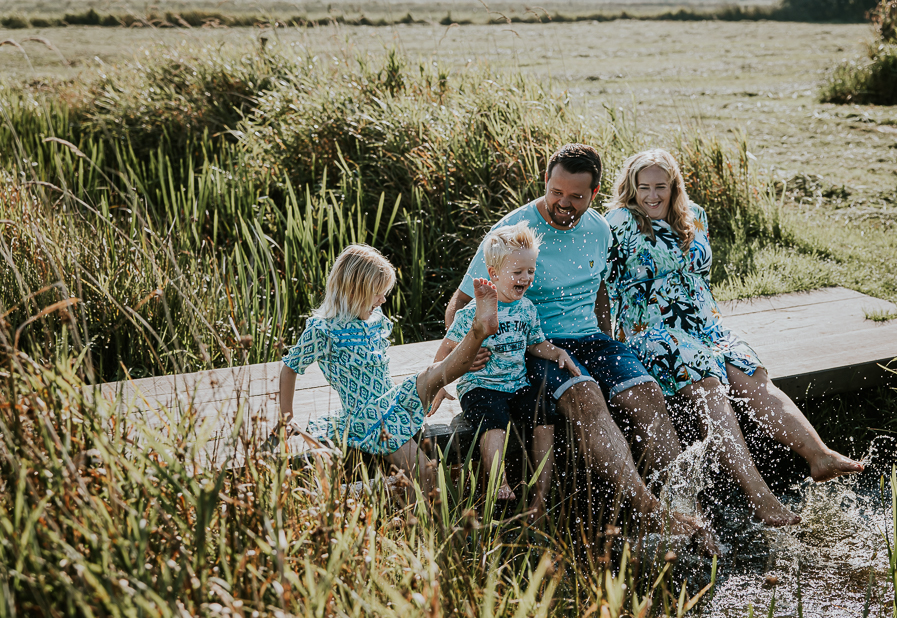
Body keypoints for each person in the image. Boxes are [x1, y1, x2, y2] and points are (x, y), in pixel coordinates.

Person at [444, 144, 705, 541]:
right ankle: (648, 509)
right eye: (556, 192)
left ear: (595, 193)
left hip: (591, 338)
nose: (563, 203)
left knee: (648, 393)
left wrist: (606, 338)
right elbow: (460, 304)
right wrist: (468, 352)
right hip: (536, 343)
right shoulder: (512, 233)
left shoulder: (599, 229)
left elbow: (598, 289)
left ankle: (688, 508)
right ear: (546, 181)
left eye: (576, 197)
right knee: (585, 397)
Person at [604, 148, 864, 526]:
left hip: (706, 327)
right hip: (653, 331)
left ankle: (819, 455)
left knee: (751, 373)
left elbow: (697, 277)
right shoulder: (620, 222)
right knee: (710, 384)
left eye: (660, 186)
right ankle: (761, 499)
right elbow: (600, 281)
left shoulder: (695, 217)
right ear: (631, 188)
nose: (652, 196)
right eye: (643, 187)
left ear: (674, 186)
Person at [277, 244, 500, 503]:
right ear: (354, 290)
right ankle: (478, 331)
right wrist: (287, 417)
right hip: (368, 418)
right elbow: (290, 367)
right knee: (425, 473)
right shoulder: (323, 330)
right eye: (377, 294)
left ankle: (476, 333)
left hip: (392, 401)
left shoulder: (374, 318)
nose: (383, 300)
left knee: (430, 376)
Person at [433, 221, 575, 521]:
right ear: (494, 274)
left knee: (544, 413)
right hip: (481, 385)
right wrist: (439, 382)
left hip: (516, 384)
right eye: (518, 272)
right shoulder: (473, 311)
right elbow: (448, 347)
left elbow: (537, 344)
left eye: (530, 272)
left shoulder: (527, 309)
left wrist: (558, 352)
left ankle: (540, 490)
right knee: (493, 419)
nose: (526, 278)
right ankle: (499, 482)